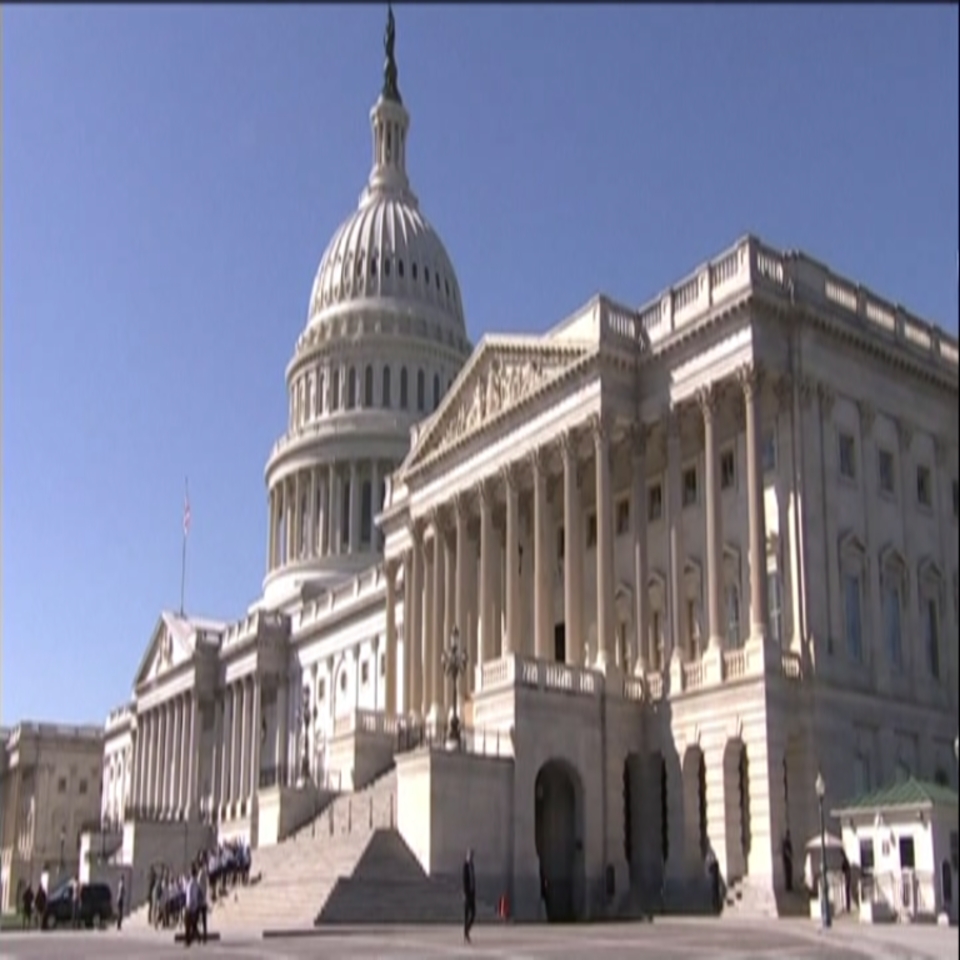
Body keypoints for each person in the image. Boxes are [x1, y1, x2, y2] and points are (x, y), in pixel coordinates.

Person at [462, 849, 476, 943]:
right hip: (467, 893)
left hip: (472, 893)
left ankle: (466, 930)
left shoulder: (471, 866)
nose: (471, 857)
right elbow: (464, 880)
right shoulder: (466, 866)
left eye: (472, 855)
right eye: (470, 855)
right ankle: (466, 933)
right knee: (467, 914)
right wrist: (465, 893)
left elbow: (473, 879)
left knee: (473, 913)